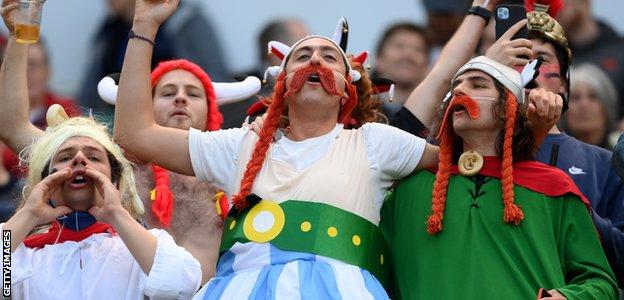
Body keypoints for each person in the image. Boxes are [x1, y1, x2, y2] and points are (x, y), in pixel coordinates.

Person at [113, 0, 439, 298]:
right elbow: (134, 135)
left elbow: (463, 160)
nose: (315, 59)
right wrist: (144, 26)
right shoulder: (240, 144)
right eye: (302, 56)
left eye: (329, 57)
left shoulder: (375, 142)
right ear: (282, 82)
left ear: (346, 89)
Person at [0, 3, 202, 298]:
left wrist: (117, 214)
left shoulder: (139, 249)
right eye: (65, 157)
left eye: (94, 157)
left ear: (116, 180)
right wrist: (29, 213)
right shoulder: (21, 257)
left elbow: (180, 286)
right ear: (44, 182)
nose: (80, 160)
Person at [381, 55, 618, 300]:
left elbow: (600, 282)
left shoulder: (553, 188)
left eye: (478, 84)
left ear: (510, 107)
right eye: (456, 86)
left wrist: (569, 297)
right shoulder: (407, 191)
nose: (460, 89)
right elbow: (367, 275)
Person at [97, 58, 261, 283]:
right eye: (167, 93)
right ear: (146, 108)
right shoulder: (117, 170)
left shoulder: (237, 165)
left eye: (193, 94)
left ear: (210, 109)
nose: (180, 98)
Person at [78, 0, 229, 123]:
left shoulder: (187, 20)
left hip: (178, 120)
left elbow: (215, 76)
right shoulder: (109, 29)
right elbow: (89, 93)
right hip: (117, 120)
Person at [221, 19, 309, 129]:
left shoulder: (313, 88)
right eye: (305, 51)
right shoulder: (240, 92)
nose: (314, 57)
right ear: (274, 52)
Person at [555, 0, 624, 121]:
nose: (553, 9)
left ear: (584, 3)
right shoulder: (552, 53)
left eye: (560, 2)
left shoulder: (618, 50)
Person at [373, 22, 429, 116]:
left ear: (427, 66)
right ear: (379, 59)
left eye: (417, 49)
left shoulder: (437, 119)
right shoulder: (356, 110)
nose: (408, 54)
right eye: (399, 46)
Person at [564, 63, 619, 149]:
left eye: (593, 96)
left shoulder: (620, 154)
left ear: (607, 106)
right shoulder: (550, 154)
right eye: (575, 97)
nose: (584, 104)